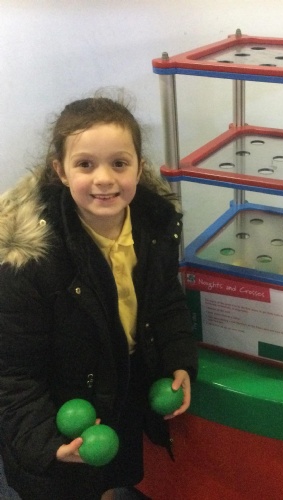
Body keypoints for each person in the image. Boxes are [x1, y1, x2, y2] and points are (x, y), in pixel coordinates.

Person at [0, 94, 198, 499]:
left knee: (105, 476)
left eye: (119, 163)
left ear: (139, 167)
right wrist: (45, 440)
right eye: (86, 165)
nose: (104, 179)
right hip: (57, 406)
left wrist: (178, 358)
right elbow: (13, 373)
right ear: (60, 171)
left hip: (120, 385)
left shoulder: (153, 228)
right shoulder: (31, 260)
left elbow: (165, 301)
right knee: (67, 488)